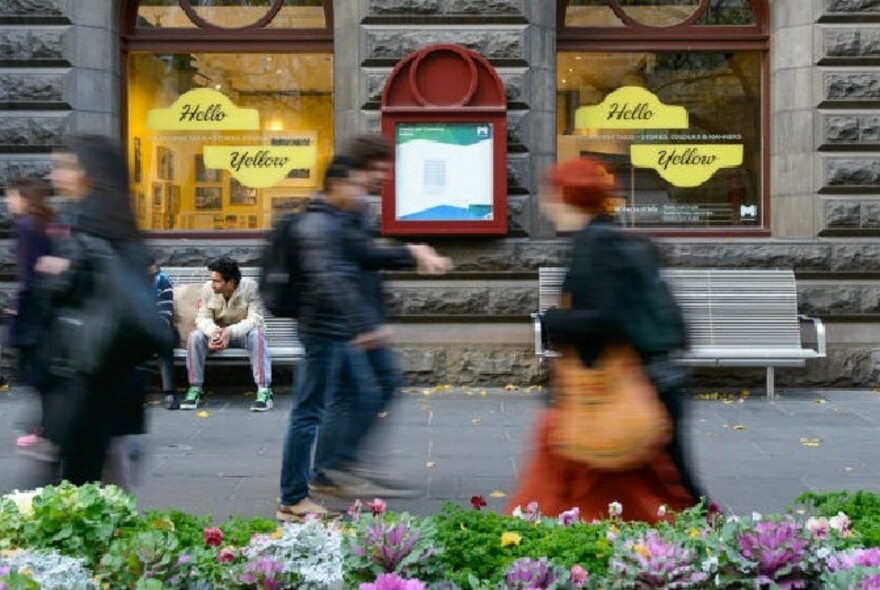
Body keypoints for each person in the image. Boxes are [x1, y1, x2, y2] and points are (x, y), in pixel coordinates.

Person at [505, 156, 704, 523]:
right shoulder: (611, 237)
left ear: (566, 196)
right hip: (652, 382)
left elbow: (604, 320)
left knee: (666, 493)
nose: (545, 200)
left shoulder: (596, 245)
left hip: (626, 390)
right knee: (664, 491)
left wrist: (551, 320)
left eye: (552, 191)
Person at [277, 156, 450, 520]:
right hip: (322, 329)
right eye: (356, 184)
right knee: (308, 413)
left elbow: (365, 256)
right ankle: (293, 498)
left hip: (335, 328)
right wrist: (365, 326)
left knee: (357, 395)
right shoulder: (319, 225)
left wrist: (410, 253)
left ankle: (330, 470)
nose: (362, 192)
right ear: (337, 184)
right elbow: (332, 281)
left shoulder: (337, 221)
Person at [37, 134, 162, 485]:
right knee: (110, 480)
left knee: (80, 486)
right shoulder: (117, 222)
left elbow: (62, 292)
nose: (54, 176)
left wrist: (54, 273)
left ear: (88, 174)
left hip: (86, 375)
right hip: (117, 373)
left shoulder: (85, 226)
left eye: (64, 167)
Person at [5, 177, 56, 460]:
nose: (8, 202)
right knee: (41, 372)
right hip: (45, 310)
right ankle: (46, 425)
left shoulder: (26, 226)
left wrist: (18, 306)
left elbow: (30, 273)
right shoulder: (44, 222)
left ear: (25, 198)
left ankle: (46, 428)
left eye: (11, 196)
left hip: (33, 313)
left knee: (35, 372)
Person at [182, 256, 273, 412]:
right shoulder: (207, 289)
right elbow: (202, 317)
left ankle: (264, 391)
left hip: (242, 335)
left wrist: (229, 332)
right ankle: (195, 389)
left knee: (256, 335)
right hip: (217, 335)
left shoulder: (250, 288)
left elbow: (255, 320)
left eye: (217, 281)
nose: (212, 285)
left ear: (230, 282)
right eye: (212, 280)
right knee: (195, 337)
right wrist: (214, 333)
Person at [148, 257, 178, 409]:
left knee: (165, 341)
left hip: (162, 326)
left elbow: (166, 312)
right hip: (139, 328)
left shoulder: (163, 280)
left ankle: (169, 393)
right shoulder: (132, 280)